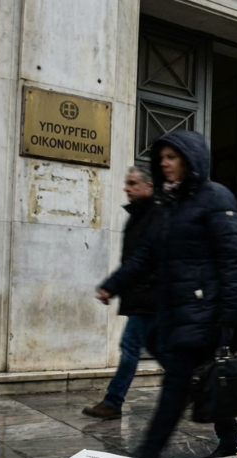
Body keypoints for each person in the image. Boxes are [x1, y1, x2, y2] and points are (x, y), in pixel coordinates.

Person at [96, 130, 237, 458]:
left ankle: (147, 454)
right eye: (161, 157)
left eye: (172, 157)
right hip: (173, 311)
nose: (164, 163)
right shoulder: (167, 205)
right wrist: (114, 283)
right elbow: (146, 253)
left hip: (202, 313)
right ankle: (231, 438)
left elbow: (232, 262)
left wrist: (228, 320)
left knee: (176, 387)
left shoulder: (217, 198)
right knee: (196, 380)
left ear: (190, 159)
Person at [83, 165, 160, 419]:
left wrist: (112, 286)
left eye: (133, 183)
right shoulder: (139, 214)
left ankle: (113, 402)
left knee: (130, 348)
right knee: (162, 352)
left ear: (149, 186)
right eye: (127, 183)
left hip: (151, 297)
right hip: (144, 297)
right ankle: (195, 386)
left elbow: (141, 259)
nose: (126, 188)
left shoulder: (154, 215)